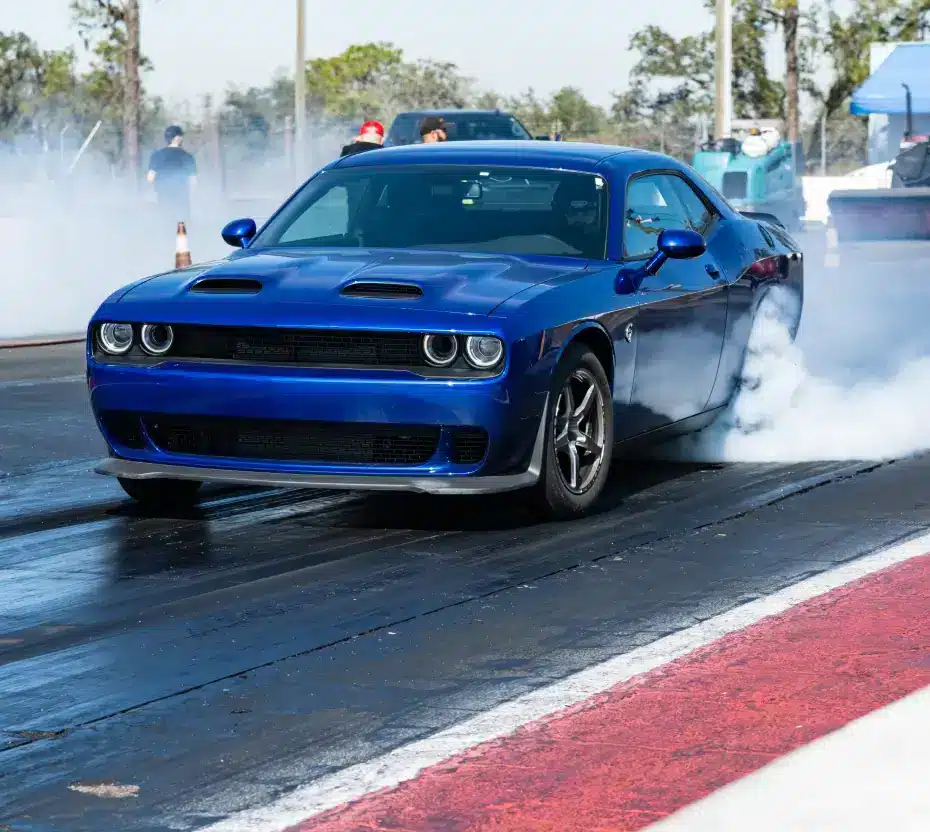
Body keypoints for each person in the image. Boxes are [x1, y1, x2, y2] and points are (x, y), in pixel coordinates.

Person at [146, 125, 197, 225]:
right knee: (181, 226)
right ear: (177, 138)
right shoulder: (187, 156)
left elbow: (150, 178)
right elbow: (193, 181)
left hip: (163, 198)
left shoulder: (157, 155)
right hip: (182, 199)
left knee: (165, 225)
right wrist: (193, 197)